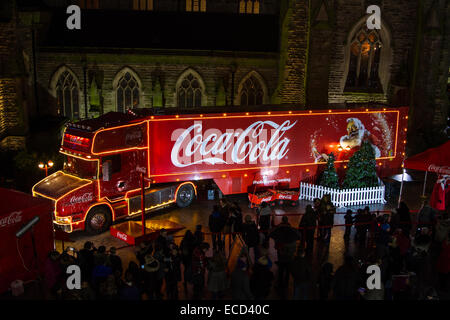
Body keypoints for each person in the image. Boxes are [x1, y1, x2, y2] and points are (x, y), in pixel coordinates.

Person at [269, 216, 300, 290]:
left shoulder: (279, 229)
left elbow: (272, 233)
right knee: (288, 270)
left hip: (281, 254)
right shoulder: (291, 231)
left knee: (281, 270)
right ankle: (286, 283)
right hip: (289, 256)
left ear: (282, 220)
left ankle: (280, 284)